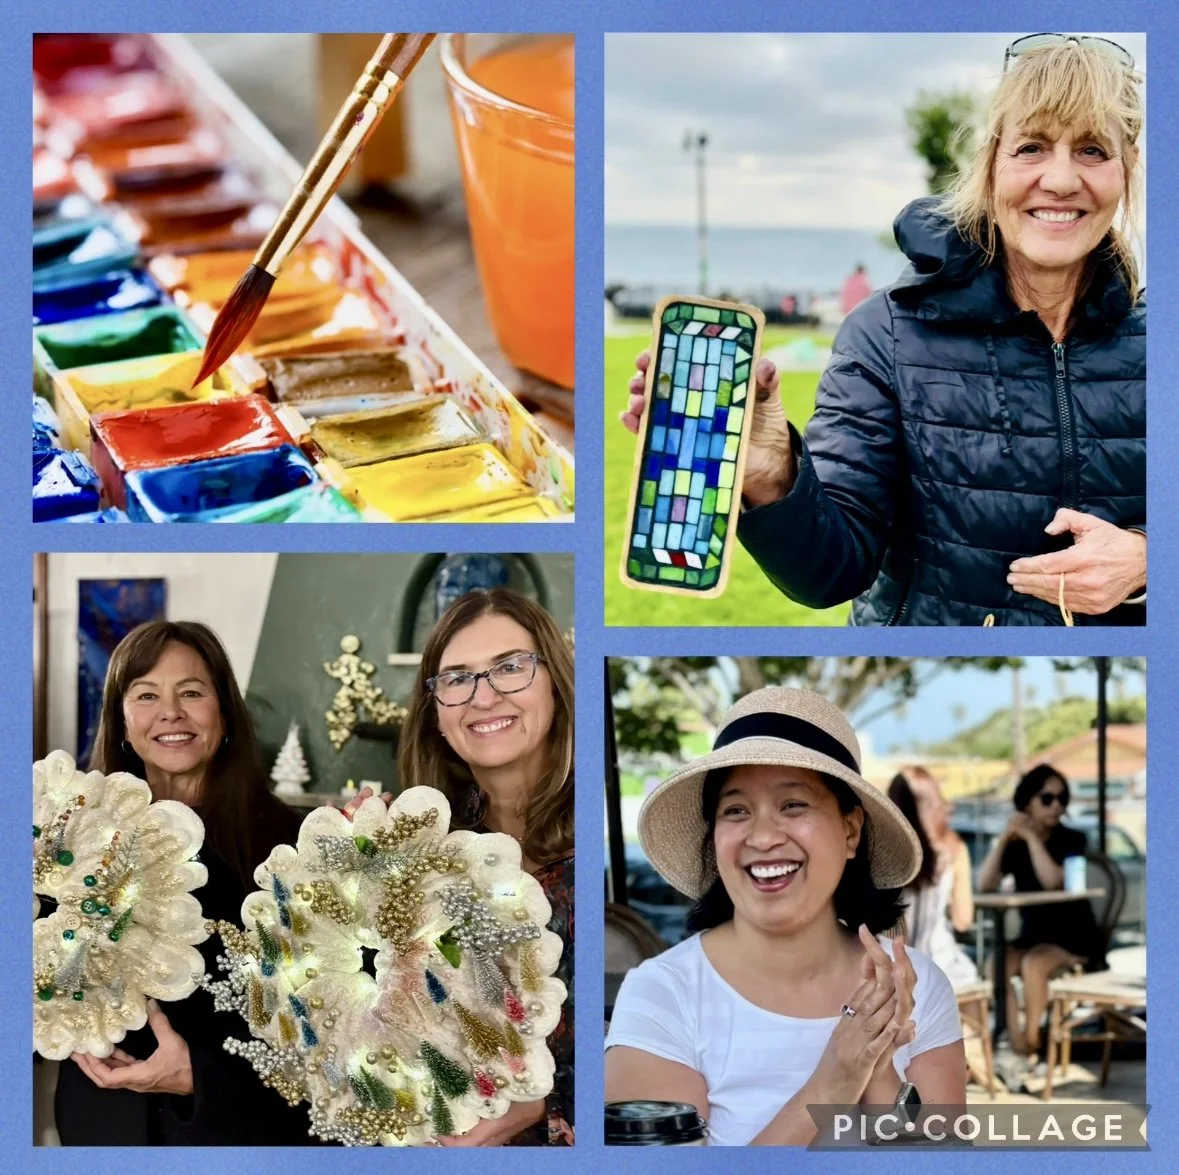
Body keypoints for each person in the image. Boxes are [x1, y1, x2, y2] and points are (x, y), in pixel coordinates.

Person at [623, 35, 1145, 624]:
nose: (1060, 179)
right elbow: (831, 574)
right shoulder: (885, 332)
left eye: (1093, 150)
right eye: (1032, 146)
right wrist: (773, 477)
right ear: (991, 166)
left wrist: (1145, 561)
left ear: (1125, 171)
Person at [604, 687, 965, 1146]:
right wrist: (831, 1084)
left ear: (850, 829)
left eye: (793, 805)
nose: (763, 836)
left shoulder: (919, 987)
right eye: (736, 810)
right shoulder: (663, 994)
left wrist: (876, 1068)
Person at [56, 621, 311, 1146]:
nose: (170, 712)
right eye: (146, 695)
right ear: (122, 722)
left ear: (225, 714)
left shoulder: (293, 844)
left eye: (191, 693)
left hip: (235, 1127)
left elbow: (328, 1023)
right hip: (102, 1124)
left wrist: (207, 1074)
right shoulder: (74, 836)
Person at [398, 588, 574, 1146]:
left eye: (510, 667)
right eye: (457, 678)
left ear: (555, 682)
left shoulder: (599, 843)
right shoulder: (427, 852)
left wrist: (540, 1102)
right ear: (437, 713)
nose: (483, 696)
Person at [978, 764, 1104, 1059]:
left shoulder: (1073, 839)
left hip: (1073, 936)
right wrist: (1004, 840)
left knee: (1034, 964)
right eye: (1047, 799)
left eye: (1062, 799)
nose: (1057, 805)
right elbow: (985, 885)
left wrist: (1032, 838)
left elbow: (1053, 881)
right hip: (1032, 935)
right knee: (995, 965)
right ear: (1027, 803)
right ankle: (1019, 1041)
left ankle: (1032, 1039)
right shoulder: (1015, 845)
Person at [887, 768, 979, 988]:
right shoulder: (954, 849)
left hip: (891, 969)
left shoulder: (881, 854)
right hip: (942, 965)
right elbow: (963, 921)